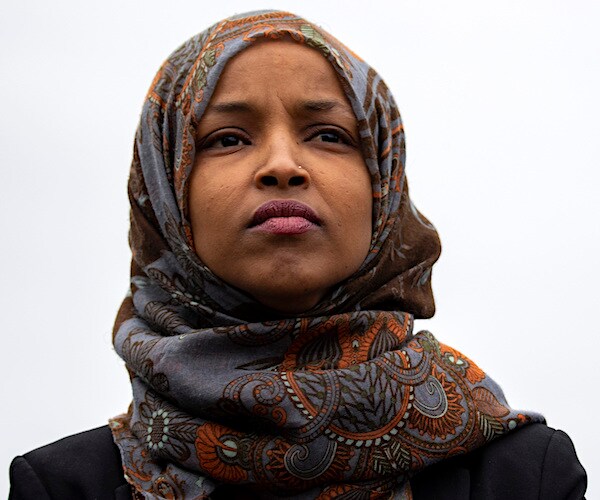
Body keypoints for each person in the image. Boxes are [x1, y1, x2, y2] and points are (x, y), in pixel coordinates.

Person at [9, 10, 587, 499]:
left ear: (383, 190)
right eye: (227, 138)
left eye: (328, 135)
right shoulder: (60, 487)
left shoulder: (523, 478)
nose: (282, 164)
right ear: (166, 198)